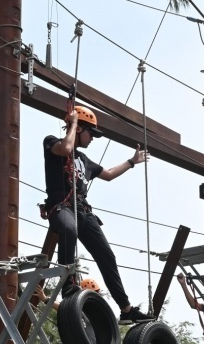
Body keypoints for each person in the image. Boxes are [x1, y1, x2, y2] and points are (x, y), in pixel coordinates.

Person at [42, 105, 152, 323]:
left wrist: (131, 162)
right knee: (67, 229)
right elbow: (65, 149)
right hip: (61, 207)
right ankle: (69, 285)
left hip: (83, 211)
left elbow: (109, 174)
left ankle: (126, 309)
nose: (93, 138)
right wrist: (72, 124)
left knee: (107, 255)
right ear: (79, 128)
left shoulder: (84, 160)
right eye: (90, 133)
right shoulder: (52, 142)